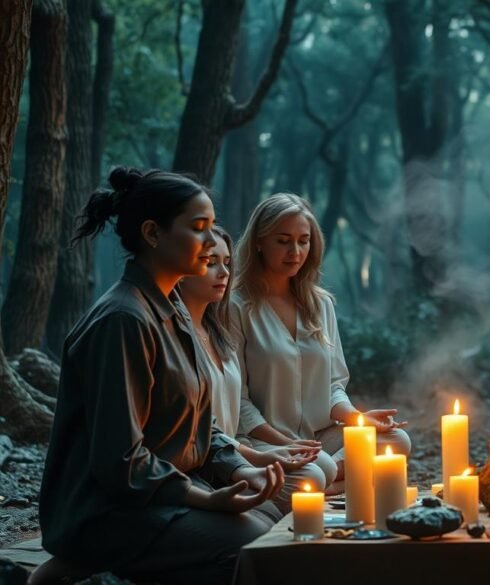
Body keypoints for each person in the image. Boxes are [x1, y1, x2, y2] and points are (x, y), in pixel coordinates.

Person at [36, 167, 283, 585]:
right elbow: (121, 462)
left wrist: (241, 470)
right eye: (199, 229)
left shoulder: (173, 310)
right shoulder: (123, 320)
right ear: (153, 233)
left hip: (161, 496)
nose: (211, 242)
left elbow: (201, 426)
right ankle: (87, 570)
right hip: (108, 510)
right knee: (254, 540)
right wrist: (206, 498)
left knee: (272, 517)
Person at [231, 193, 411, 497]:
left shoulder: (320, 304)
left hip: (319, 438)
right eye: (283, 240)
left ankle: (322, 486)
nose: (296, 251)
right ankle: (336, 481)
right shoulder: (236, 307)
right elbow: (239, 401)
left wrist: (357, 419)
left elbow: (333, 384)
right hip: (263, 441)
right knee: (320, 468)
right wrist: (284, 444)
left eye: (304, 241)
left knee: (397, 441)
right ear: (259, 242)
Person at [177, 224, 319, 513]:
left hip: (233, 452)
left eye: (227, 263)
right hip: (209, 464)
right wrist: (258, 455)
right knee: (313, 476)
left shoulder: (217, 330)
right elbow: (200, 430)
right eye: (210, 262)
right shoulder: (175, 337)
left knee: (320, 468)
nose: (224, 273)